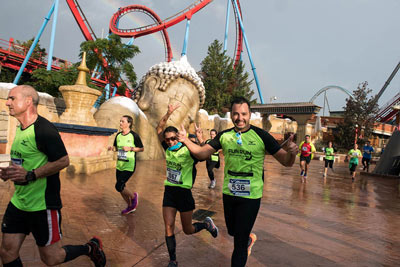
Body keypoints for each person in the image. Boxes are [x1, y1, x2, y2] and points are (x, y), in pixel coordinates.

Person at [177, 97, 298, 267]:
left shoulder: (262, 136)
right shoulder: (225, 136)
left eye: (243, 114)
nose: (239, 118)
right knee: (233, 231)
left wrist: (292, 153)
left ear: (249, 115)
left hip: (251, 196)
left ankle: (244, 242)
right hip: (229, 194)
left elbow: (286, 162)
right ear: (231, 115)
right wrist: (186, 140)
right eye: (236, 114)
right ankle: (247, 238)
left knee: (238, 243)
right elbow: (202, 154)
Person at [0, 85, 106, 267]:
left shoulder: (44, 130)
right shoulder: (20, 128)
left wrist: (31, 175)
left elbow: (63, 161)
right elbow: (21, 160)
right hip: (19, 202)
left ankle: (90, 248)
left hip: (43, 205)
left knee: (51, 258)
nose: (7, 103)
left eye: (12, 98)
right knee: (7, 252)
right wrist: (10, 171)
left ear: (28, 102)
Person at [156, 104, 219, 267]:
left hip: (184, 194)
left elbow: (203, 155)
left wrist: (199, 139)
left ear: (178, 137)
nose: (169, 142)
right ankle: (173, 260)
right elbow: (159, 129)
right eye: (167, 139)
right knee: (168, 226)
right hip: (169, 191)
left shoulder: (187, 149)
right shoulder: (168, 149)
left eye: (173, 139)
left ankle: (206, 224)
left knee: (187, 229)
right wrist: (168, 113)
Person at [108, 115, 144, 215]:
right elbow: (116, 148)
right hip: (120, 165)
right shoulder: (118, 135)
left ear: (129, 123)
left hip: (129, 165)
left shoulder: (134, 135)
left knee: (118, 186)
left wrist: (131, 148)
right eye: (120, 121)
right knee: (121, 188)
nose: (120, 123)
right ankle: (130, 206)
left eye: (123, 121)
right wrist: (112, 148)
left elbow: (141, 148)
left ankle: (133, 197)